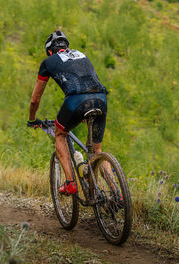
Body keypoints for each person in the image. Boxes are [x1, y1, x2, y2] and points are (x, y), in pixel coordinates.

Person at [27, 30, 108, 195]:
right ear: (66, 46)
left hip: (76, 101)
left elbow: (35, 99)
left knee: (60, 134)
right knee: (97, 150)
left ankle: (70, 183)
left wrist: (32, 119)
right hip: (100, 98)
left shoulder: (49, 61)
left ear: (50, 51)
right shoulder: (82, 55)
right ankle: (118, 194)